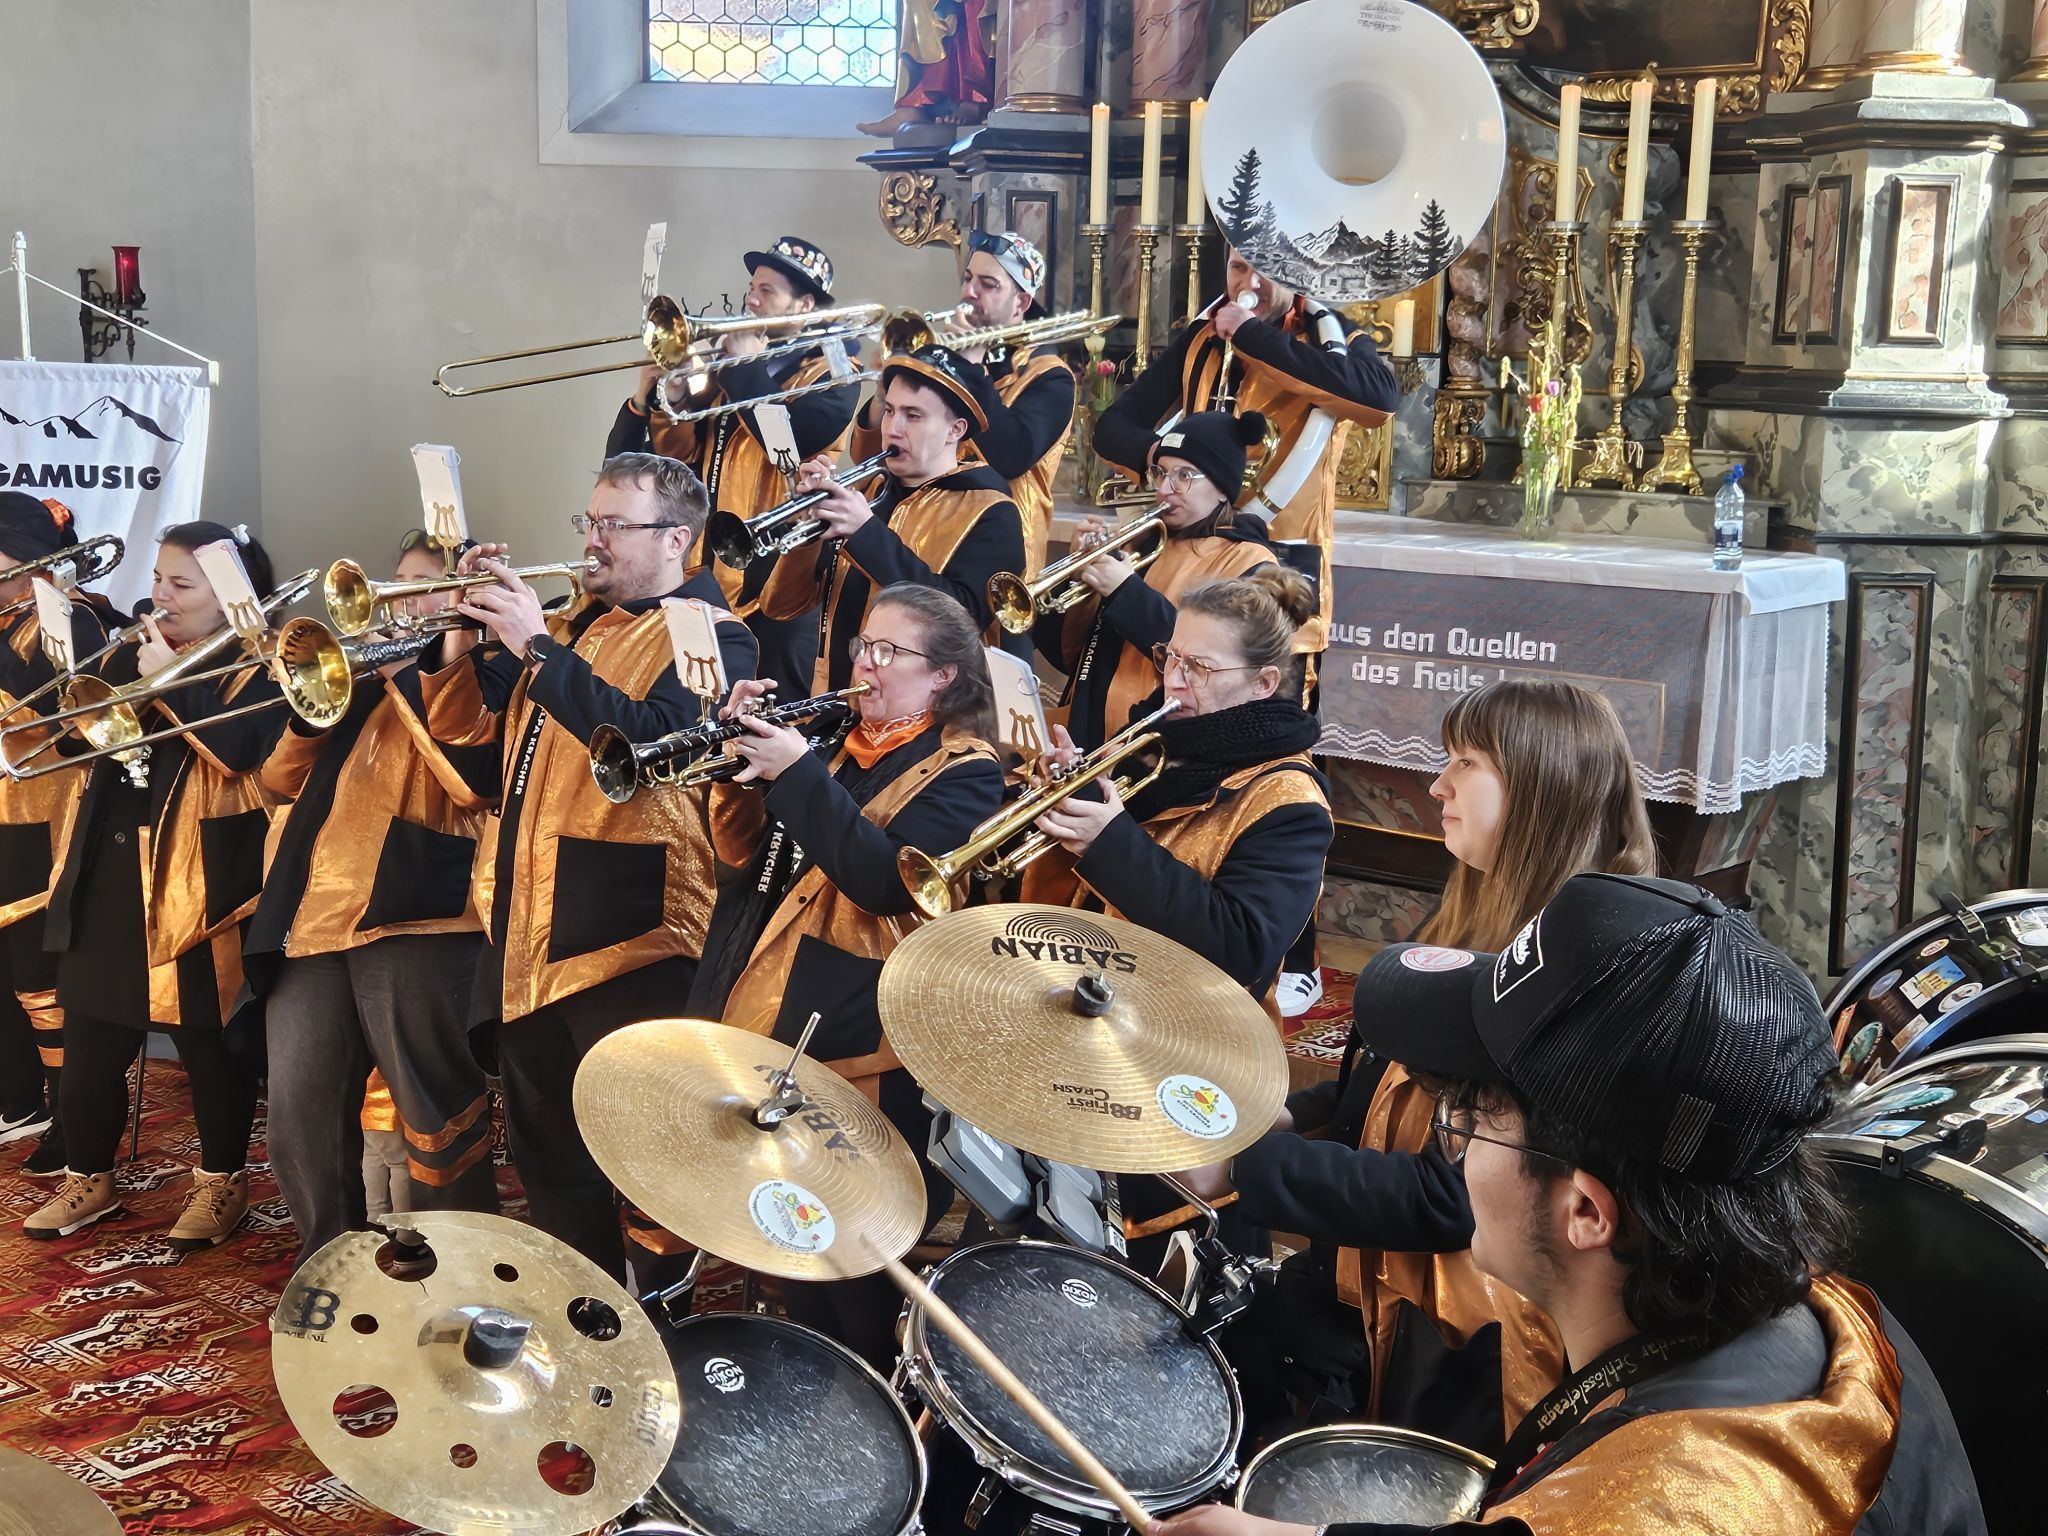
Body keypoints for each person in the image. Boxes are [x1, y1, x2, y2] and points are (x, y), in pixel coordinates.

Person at [1154, 873, 1986, 1536]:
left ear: (1588, 1212)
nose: (1458, 1151)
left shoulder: (1665, 1504)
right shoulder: (1812, 1306)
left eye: (1468, 1122)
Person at [1182, 679, 1655, 1456]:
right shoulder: (1482, 903)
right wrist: (1298, 1113)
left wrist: (1245, 1166)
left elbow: (1455, 1194)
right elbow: (1401, 1078)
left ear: (1538, 788)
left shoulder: (1572, 965)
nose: (1435, 784)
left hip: (1471, 1337)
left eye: (1465, 763)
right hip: (1372, 1287)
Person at [417, 453, 756, 1280]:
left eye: (614, 525)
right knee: (551, 1161)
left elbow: (649, 747)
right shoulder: (577, 627)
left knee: (648, 1161)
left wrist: (535, 644)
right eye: (590, 521)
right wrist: (464, 629)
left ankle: (665, 1320)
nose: (593, 541)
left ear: (678, 538)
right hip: (532, 932)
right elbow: (470, 747)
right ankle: (587, 1317)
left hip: (631, 937)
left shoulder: (717, 634)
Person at [701, 583, 1004, 1368]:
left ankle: (882, 1414)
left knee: (857, 1272)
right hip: (775, 998)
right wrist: (737, 770)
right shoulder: (837, 741)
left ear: (942, 677)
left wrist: (799, 773)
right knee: (794, 1256)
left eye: (889, 652)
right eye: (863, 645)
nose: (864, 664)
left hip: (864, 1037)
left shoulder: (967, 773)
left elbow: (881, 881)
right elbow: (747, 859)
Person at [1097, 246, 1401, 1018]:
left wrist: (1254, 334)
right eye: (1237, 266)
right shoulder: (1204, 337)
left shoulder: (1331, 336)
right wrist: (1191, 462)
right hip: (1199, 538)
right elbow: (1114, 424)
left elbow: (1374, 397)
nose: (1248, 281)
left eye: (1265, 267)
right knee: (1179, 719)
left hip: (1278, 570)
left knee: (1264, 749)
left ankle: (1289, 950)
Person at [25, 522, 285, 1248]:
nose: (160, 595)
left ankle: (221, 1183)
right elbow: (74, 740)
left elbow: (245, 754)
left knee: (208, 1048)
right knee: (92, 1040)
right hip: (109, 868)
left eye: (181, 584)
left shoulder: (259, 667)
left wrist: (168, 676)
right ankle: (89, 1175)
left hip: (202, 880)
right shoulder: (135, 651)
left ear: (232, 597)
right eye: (160, 578)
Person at [249, 528, 503, 1260]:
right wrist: (312, 713)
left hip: (419, 917)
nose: (396, 599)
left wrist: (429, 668)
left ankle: (459, 1268)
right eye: (394, 582)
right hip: (313, 923)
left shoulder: (489, 673)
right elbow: (277, 783)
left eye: (420, 584)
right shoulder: (359, 679)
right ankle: (329, 1262)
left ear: (461, 598)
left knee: (437, 1117)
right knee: (299, 1117)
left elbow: (472, 780)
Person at [1024, 566, 1331, 1023]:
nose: (1174, 680)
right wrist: (1075, 786)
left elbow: (1240, 948)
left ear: (1263, 683)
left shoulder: (1292, 804)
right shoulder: (1159, 738)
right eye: (1171, 656)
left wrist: (1106, 843)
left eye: (1200, 667)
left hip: (1191, 1031)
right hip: (1091, 992)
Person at [608, 235, 861, 696]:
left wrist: (742, 366)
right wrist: (677, 394)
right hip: (707, 565)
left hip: (779, 576)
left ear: (804, 305)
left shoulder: (835, 372)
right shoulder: (732, 365)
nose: (750, 299)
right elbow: (680, 455)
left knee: (771, 711)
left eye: (767, 290)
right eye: (751, 287)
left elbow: (791, 435)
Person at [758, 343, 1028, 694]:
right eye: (889, 411)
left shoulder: (992, 511)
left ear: (955, 430)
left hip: (932, 721)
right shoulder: (867, 490)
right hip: (837, 699)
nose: (893, 428)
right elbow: (781, 606)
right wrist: (808, 530)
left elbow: (962, 619)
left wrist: (866, 533)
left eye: (913, 416)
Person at [1034, 410, 1278, 751]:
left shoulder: (1248, 562)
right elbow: (1065, 655)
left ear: (1223, 489)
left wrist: (1124, 591)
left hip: (1162, 744)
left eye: (1184, 476)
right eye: (1160, 473)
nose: (1164, 489)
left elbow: (1207, 663)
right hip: (1085, 730)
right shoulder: (1143, 542)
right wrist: (1078, 572)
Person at [0, 493, 117, 1178]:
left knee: (41, 981)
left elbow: (64, 706)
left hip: (49, 818)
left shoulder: (75, 617)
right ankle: (19, 1100)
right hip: (6, 813)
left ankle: (72, 1119)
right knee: (8, 976)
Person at [853, 230, 1075, 577]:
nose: (970, 292)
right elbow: (866, 456)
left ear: (1021, 304)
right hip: (920, 530)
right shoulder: (944, 356)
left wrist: (971, 370)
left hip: (996, 547)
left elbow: (1012, 456)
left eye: (989, 284)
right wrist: (889, 385)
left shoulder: (1050, 376)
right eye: (968, 278)